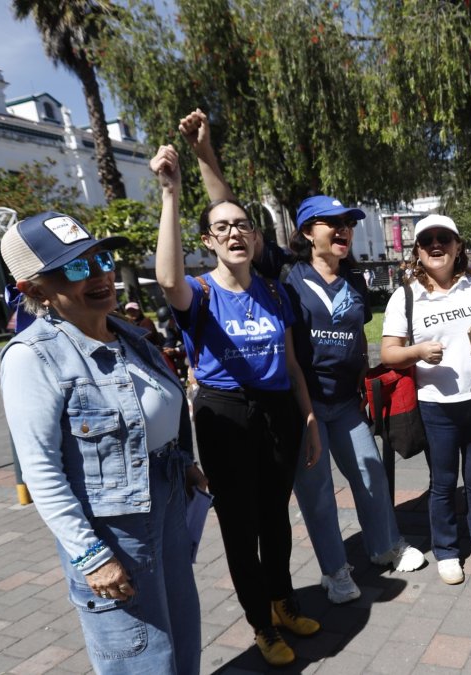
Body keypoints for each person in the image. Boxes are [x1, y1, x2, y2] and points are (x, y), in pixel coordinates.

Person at [175, 109, 426, 606]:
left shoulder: (356, 281)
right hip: (301, 407)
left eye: (347, 223)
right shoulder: (284, 272)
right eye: (330, 223)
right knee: (316, 496)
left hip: (347, 404)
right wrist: (205, 153)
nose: (343, 229)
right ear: (308, 231)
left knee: (370, 473)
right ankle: (336, 573)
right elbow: (228, 214)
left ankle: (384, 547)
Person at [0, 211, 205, 674]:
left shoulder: (130, 335)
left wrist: (183, 461)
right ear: (34, 289)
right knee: (142, 656)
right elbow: (42, 471)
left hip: (167, 500)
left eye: (100, 258)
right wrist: (91, 556)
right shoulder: (33, 358)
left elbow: (160, 412)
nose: (98, 275)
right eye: (74, 268)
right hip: (113, 533)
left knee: (183, 639)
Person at [150, 144, 323, 667]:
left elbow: (292, 365)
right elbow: (166, 280)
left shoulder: (274, 293)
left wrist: (309, 419)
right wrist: (170, 192)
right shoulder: (198, 293)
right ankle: (260, 624)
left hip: (278, 414)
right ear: (207, 241)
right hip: (224, 415)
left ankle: (283, 601)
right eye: (222, 227)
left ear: (255, 234)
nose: (234, 232)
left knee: (276, 519)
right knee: (240, 526)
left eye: (242, 224)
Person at [380, 215, 471, 585]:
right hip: (436, 404)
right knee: (442, 482)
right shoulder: (406, 295)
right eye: (427, 241)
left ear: (458, 246)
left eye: (444, 238)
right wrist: (419, 351)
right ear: (418, 251)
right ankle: (446, 550)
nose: (436, 245)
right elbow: (389, 352)